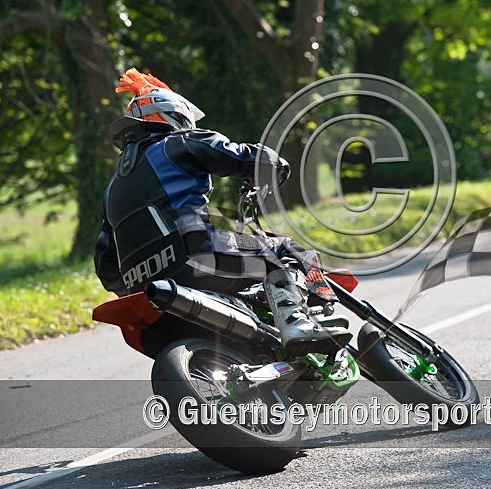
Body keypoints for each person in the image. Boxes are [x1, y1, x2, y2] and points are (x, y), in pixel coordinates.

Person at [94, 68, 351, 354]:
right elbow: (241, 156)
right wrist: (273, 165)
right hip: (198, 256)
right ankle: (297, 323)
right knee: (283, 249)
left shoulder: (111, 188)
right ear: (174, 116)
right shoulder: (178, 143)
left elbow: (105, 266)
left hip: (147, 292)